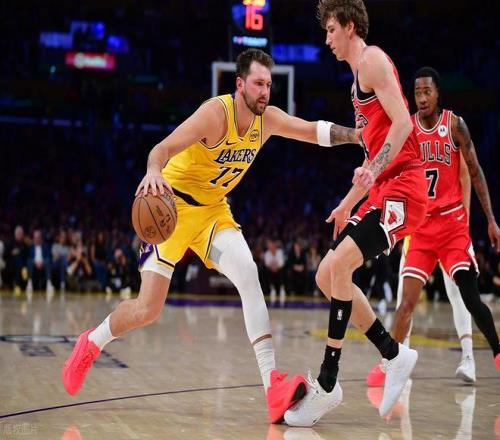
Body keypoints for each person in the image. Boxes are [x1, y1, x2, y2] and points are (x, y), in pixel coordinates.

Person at [61, 48, 363, 423]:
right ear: (240, 84)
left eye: (269, 84)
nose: (265, 91)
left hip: (212, 212)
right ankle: (91, 342)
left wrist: (356, 135)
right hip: (170, 210)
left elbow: (313, 130)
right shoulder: (214, 114)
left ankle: (272, 385)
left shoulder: (267, 119)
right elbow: (161, 149)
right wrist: (154, 171)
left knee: (249, 273)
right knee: (147, 309)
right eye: (258, 84)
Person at [285, 0, 428, 426]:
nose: (327, 39)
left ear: (349, 26)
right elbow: (371, 155)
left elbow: (404, 125)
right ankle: (393, 354)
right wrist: (348, 203)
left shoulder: (372, 61)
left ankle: (328, 383)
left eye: (331, 30)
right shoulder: (356, 84)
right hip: (383, 188)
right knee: (326, 275)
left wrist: (373, 171)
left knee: (342, 266)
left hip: (405, 189)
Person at [366, 67, 500, 387]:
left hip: (452, 225)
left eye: (427, 92)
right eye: (417, 93)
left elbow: (475, 172)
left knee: (469, 298)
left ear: (438, 93)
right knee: (405, 304)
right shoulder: (407, 128)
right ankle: (391, 365)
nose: (422, 98)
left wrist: (491, 219)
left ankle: (495, 353)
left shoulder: (454, 125)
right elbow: (392, 176)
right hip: (421, 228)